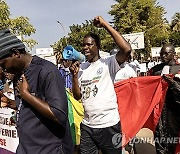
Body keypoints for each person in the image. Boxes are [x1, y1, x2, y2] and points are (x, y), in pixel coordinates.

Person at [0, 29, 73, 154]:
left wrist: (26, 95)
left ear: (15, 53)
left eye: (2, 64)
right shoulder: (18, 73)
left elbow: (59, 115)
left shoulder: (46, 70)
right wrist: (10, 103)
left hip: (49, 149)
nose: (2, 68)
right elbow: (26, 107)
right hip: (26, 147)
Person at [70, 16, 131, 154]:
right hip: (87, 126)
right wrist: (74, 77)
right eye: (83, 45)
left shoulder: (108, 63)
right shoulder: (82, 68)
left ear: (98, 46)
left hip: (108, 125)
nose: (85, 48)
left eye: (89, 44)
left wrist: (105, 25)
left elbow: (126, 49)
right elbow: (77, 96)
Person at [148, 44, 180, 154]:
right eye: (161, 53)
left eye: (166, 53)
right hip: (159, 110)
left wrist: (173, 83)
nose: (163, 56)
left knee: (173, 141)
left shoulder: (178, 69)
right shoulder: (155, 70)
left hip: (174, 111)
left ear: (173, 54)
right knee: (159, 138)